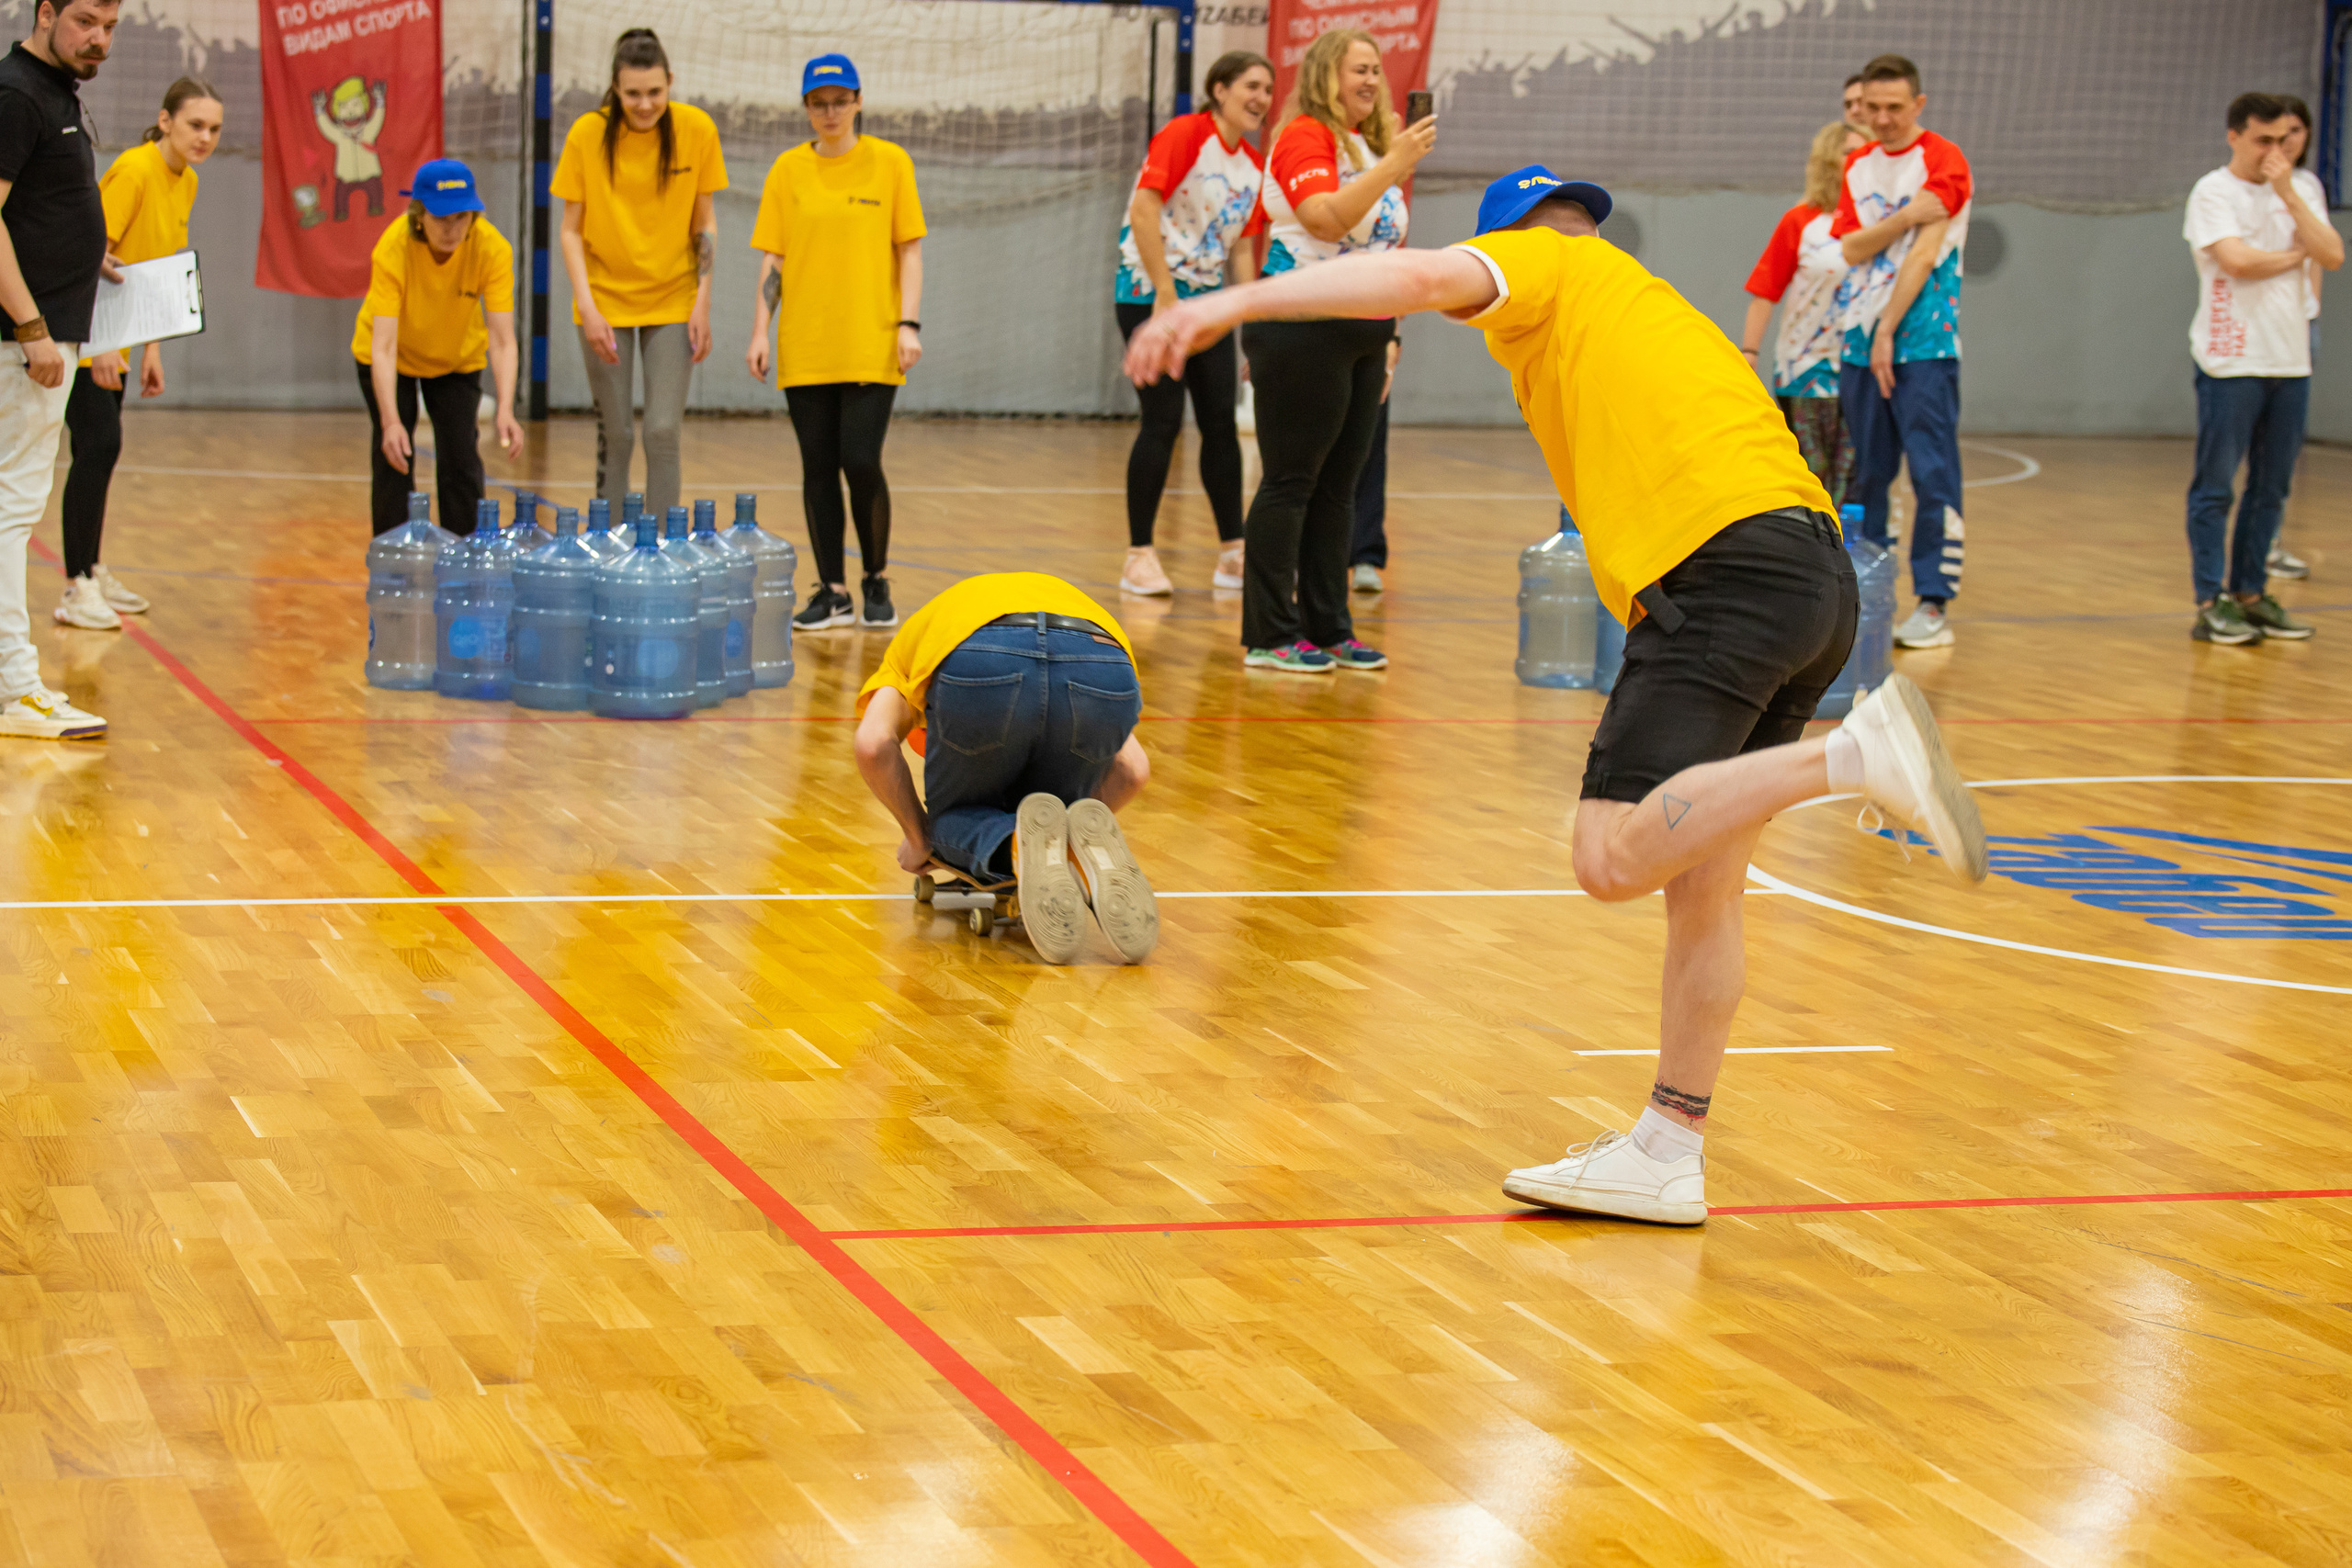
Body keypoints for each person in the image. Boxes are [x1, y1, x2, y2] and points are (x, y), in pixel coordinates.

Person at [1126, 164, 1987, 1224]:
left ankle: (1850, 759)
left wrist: (1231, 298)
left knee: (1608, 854)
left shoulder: (1549, 265)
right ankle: (1669, 1148)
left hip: (1717, 569)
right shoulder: (1643, 311)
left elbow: (1409, 275)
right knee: (1704, 887)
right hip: (1811, 579)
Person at [1238, 27, 1431, 674]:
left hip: (1365, 331)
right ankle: (1270, 631)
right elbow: (1324, 219)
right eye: (1359, 70)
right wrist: (1392, 166)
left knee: (1340, 489)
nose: (1372, 81)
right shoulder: (1305, 137)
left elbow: (1386, 251)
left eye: (1377, 70)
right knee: (1291, 480)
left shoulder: (1368, 145)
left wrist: (1394, 333)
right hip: (1302, 327)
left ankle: (1329, 627)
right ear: (1326, 76)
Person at [854, 572, 1156, 965]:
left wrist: (918, 836)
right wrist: (1068, 826)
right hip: (1103, 656)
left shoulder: (909, 655)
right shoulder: (959, 609)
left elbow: (872, 744)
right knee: (1057, 808)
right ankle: (1074, 856)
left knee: (950, 824)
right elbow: (1133, 771)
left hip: (980, 653)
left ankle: (1014, 848)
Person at [747, 52, 924, 633]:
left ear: (858, 101)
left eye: (840, 101)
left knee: (860, 458)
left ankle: (875, 579)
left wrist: (908, 324)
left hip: (871, 339)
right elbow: (774, 258)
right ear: (806, 107)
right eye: (819, 104)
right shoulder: (787, 171)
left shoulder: (890, 163)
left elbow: (909, 250)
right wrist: (759, 330)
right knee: (817, 466)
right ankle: (833, 590)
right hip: (807, 343)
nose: (830, 112)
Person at [52, 74, 219, 630]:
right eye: (195, 125)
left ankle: (92, 570)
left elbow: (155, 270)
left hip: (118, 339)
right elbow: (91, 254)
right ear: (166, 121)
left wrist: (151, 349)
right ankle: (77, 586)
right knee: (98, 445)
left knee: (100, 452)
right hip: (84, 334)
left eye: (214, 129)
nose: (205, 137)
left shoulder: (186, 181)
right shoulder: (134, 169)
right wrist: (98, 344)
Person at [2181, 92, 2339, 646]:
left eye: (2285, 140)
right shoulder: (2212, 192)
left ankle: (2251, 591)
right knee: (2216, 486)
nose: (2277, 151)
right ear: (2235, 137)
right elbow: (2238, 262)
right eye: (2264, 140)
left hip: (2289, 359)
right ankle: (2210, 599)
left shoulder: (2303, 188)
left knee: (2271, 487)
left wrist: (2288, 196)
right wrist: (2297, 256)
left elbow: (2334, 254)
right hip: (2231, 361)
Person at [1113, 49, 1271, 598]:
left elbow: (1245, 255)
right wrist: (1163, 294)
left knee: (1221, 427)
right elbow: (1143, 209)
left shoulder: (1252, 169)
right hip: (1150, 293)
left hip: (1207, 305)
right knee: (1161, 423)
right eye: (1251, 86)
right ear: (1220, 89)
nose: (1261, 99)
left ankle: (1233, 552)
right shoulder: (1186, 135)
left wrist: (1248, 325)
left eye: (1268, 90)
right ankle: (1138, 556)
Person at [0, 0, 117, 740]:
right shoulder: (17, 94)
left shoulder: (52, 92)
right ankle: (16, 687)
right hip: (27, 346)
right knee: (11, 511)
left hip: (45, 336)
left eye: (109, 26)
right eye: (83, 21)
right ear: (44, 14)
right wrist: (32, 325)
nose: (97, 39)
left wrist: (86, 250)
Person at [553, 28, 725, 522]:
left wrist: (702, 300)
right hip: (603, 299)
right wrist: (586, 307)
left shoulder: (696, 130)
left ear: (670, 82)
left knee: (662, 431)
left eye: (655, 92)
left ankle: (661, 549)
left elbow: (705, 222)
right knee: (618, 432)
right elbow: (570, 229)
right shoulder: (588, 134)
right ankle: (608, 544)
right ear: (614, 88)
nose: (645, 104)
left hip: (673, 299)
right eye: (632, 94)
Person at [1834, 54, 1970, 650]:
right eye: (1874, 107)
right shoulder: (1859, 166)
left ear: (1918, 104)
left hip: (1923, 342)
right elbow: (1853, 248)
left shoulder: (1943, 159)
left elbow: (1923, 254)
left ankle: (1934, 600)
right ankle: (1870, 593)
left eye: (1896, 107)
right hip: (1858, 341)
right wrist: (1905, 216)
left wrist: (1890, 327)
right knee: (1869, 472)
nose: (1883, 118)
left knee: (1933, 469)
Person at [352, 159, 524, 537]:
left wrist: (507, 408)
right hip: (389, 357)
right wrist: (391, 421)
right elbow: (383, 346)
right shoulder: (394, 247)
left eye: (461, 216)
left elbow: (502, 339)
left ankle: (464, 554)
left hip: (454, 358)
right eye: (441, 217)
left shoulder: (492, 249)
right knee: (394, 456)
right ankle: (394, 556)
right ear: (419, 216)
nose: (452, 228)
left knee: (461, 457)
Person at [1740, 121, 1869, 508]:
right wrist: (1749, 352)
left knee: (1853, 472)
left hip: (1858, 366)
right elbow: (1765, 292)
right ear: (1829, 161)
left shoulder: (1879, 224)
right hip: (1805, 368)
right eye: (1850, 153)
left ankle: (1850, 555)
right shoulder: (1801, 221)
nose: (1860, 160)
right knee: (1813, 471)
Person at [2269, 95, 2322, 582]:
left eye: (2296, 133)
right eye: (2278, 134)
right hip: (2251, 336)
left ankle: (2271, 541)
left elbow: (2322, 253)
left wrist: (2311, 310)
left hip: (2299, 326)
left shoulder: (2306, 186)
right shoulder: (2231, 188)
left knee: (2284, 451)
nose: (2287, 142)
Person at [1348, 338, 1399, 592]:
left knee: (1369, 451)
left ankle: (1365, 555)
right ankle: (1296, 558)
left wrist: (1393, 340)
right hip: (1316, 338)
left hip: (1370, 340)